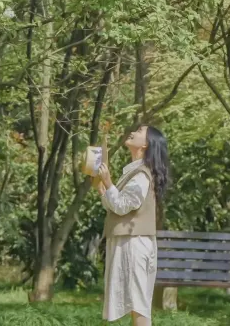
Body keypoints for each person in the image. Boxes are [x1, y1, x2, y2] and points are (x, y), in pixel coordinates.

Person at [98, 125, 170, 326]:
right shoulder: (135, 172)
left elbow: (122, 206)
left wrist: (109, 183)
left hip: (134, 243)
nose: (133, 132)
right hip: (130, 242)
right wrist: (104, 190)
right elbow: (116, 205)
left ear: (145, 144)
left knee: (138, 305)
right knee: (137, 304)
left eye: (139, 131)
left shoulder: (141, 175)